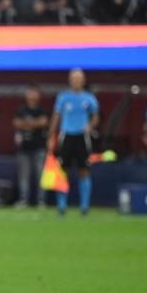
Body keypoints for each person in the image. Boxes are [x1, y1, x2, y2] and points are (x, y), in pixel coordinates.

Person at [49, 68, 99, 215]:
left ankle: (84, 206)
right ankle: (62, 206)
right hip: (67, 136)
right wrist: (51, 136)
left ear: (83, 81)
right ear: (70, 80)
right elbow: (56, 117)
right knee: (63, 171)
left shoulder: (89, 98)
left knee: (84, 171)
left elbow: (95, 117)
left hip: (82, 138)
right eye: (74, 78)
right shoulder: (63, 97)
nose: (76, 81)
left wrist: (90, 126)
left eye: (79, 78)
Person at [13, 86, 49, 207]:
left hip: (39, 147)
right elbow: (16, 123)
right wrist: (34, 124)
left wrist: (27, 124)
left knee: (40, 175)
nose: (31, 96)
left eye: (34, 94)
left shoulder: (41, 110)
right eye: (29, 93)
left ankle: (41, 200)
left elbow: (43, 122)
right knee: (24, 176)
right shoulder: (21, 110)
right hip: (24, 147)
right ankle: (24, 200)